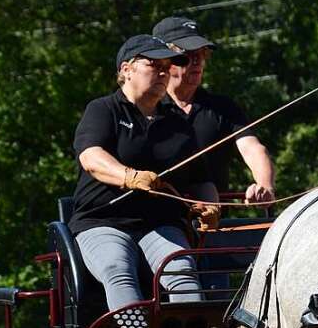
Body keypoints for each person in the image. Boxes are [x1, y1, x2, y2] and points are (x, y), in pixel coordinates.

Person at [69, 34, 219, 311]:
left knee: (183, 273)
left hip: (160, 224)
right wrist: (129, 176)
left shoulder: (178, 123)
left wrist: (209, 205)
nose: (164, 72)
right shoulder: (103, 110)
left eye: (167, 66)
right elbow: (91, 157)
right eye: (154, 65)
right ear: (126, 69)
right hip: (102, 221)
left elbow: (201, 179)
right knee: (117, 269)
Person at [153, 16, 275, 204]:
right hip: (160, 221)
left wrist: (264, 186)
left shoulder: (222, 108)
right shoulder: (147, 108)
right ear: (163, 59)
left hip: (215, 221)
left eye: (202, 54)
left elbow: (253, 148)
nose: (198, 61)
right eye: (188, 55)